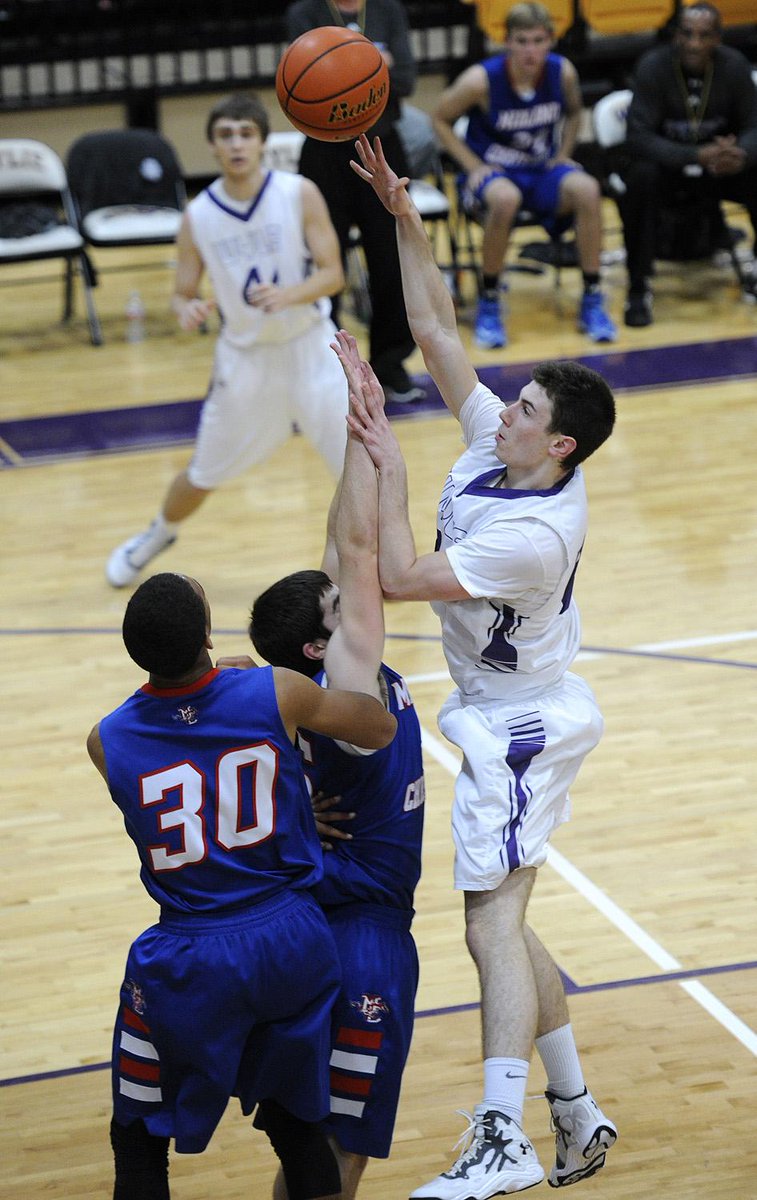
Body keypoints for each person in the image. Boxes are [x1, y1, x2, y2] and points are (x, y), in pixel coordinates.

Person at [343, 133, 619, 1199]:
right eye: (514, 404)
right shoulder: (504, 445)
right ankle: (578, 1115)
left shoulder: (534, 532)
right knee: (507, 921)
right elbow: (434, 326)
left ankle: (499, 1134)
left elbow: (404, 575)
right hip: (510, 708)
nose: (504, 408)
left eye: (525, 412)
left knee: (485, 922)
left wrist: (385, 453)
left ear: (557, 449)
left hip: (517, 720)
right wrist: (405, 221)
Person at [87, 570, 396, 1200]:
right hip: (291, 941)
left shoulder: (107, 740)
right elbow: (377, 728)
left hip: (190, 957)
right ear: (207, 633)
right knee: (299, 1130)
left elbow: (187, 761)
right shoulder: (274, 693)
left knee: (138, 1143)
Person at [241, 329, 425, 1199]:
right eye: (339, 607)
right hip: (363, 940)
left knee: (310, 1153)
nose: (354, 595)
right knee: (335, 1162)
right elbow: (353, 555)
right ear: (321, 641)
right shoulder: (346, 682)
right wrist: (367, 415)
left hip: (315, 920)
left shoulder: (310, 677)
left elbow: (338, 543)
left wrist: (360, 425)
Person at [106, 92, 348, 588]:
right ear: (213, 146)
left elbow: (333, 274)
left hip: (312, 349)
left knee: (358, 470)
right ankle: (158, 533)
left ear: (262, 142)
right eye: (225, 135)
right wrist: (187, 308)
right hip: (246, 361)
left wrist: (290, 294)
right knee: (203, 472)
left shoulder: (298, 193)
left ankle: (371, 563)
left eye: (246, 134)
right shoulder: (199, 216)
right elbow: (181, 293)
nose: (237, 144)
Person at [432, 0, 617, 350]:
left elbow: (576, 112)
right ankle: (489, 300)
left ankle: (592, 298)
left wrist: (563, 155)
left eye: (537, 40)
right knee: (505, 199)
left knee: (589, 189)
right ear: (507, 41)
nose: (530, 50)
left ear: (550, 39)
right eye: (521, 41)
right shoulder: (481, 79)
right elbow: (439, 118)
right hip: (496, 173)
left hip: (541, 170)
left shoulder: (562, 73)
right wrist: (472, 166)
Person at [284, 0, 425, 404]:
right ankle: (325, 363)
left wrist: (353, 66)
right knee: (323, 257)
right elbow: (307, 84)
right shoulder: (305, 12)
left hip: (381, 142)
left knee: (391, 257)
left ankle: (391, 363)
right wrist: (374, 62)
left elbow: (408, 80)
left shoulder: (388, 9)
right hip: (323, 150)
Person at [616, 1, 757, 327]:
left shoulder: (734, 68)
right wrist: (694, 155)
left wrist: (742, 155)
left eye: (704, 35)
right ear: (675, 35)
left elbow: (754, 126)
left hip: (721, 170)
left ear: (718, 39)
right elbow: (637, 136)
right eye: (687, 34)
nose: (694, 43)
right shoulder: (653, 67)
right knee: (640, 178)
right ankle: (639, 285)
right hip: (667, 170)